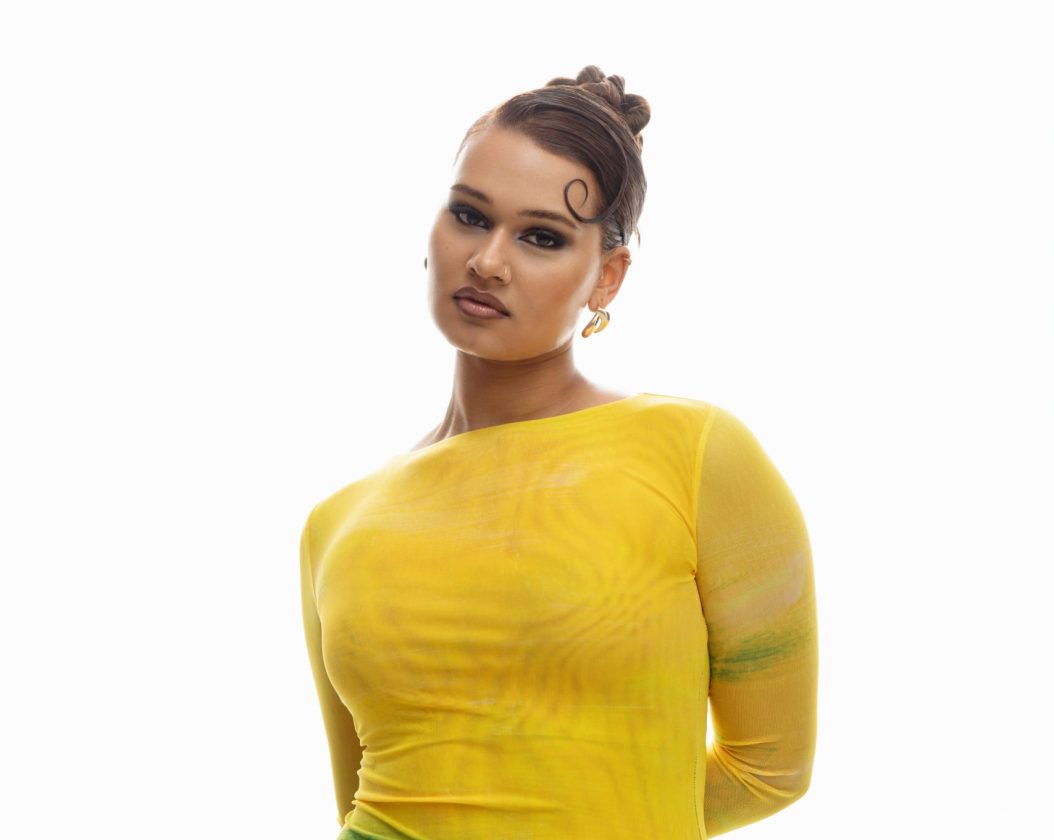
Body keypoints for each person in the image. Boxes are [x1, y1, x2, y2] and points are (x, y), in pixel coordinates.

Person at [299, 65, 818, 840]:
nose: (488, 261)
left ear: (606, 277)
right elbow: (358, 799)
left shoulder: (696, 456)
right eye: (469, 216)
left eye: (541, 236)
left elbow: (768, 769)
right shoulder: (335, 523)